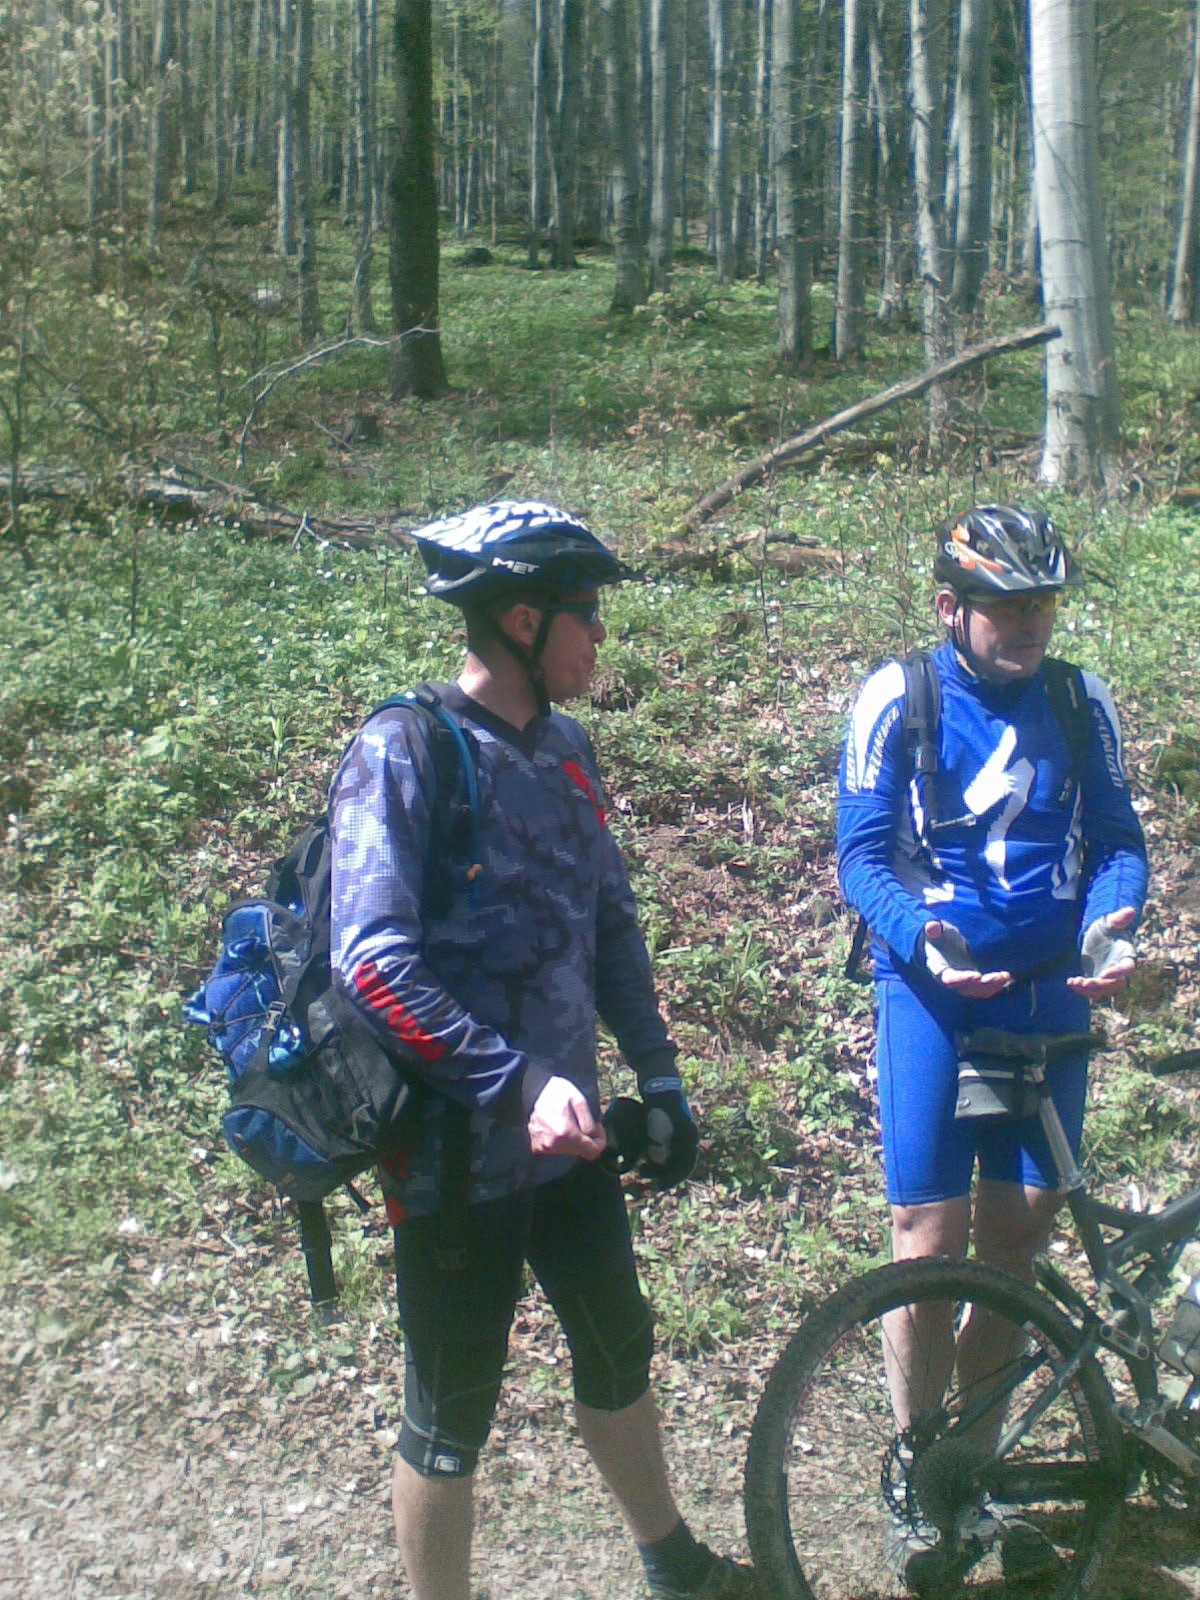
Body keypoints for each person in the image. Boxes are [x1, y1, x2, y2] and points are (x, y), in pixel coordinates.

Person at [327, 501, 758, 1600]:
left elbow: (609, 923)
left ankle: (671, 1561)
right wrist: (517, 1082)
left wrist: (658, 1075)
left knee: (617, 1346)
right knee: (452, 1407)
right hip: (451, 1153)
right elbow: (370, 963)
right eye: (586, 613)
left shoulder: (568, 750)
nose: (600, 635)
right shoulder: (404, 749)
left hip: (573, 1144)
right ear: (524, 619)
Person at [837, 505, 1148, 1589]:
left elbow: (1117, 842)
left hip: (1049, 993)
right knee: (927, 1243)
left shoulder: (1078, 698)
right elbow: (858, 854)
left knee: (1016, 1239)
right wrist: (920, 934)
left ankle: (974, 1471)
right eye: (1006, 605)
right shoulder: (899, 696)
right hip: (933, 996)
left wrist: (1113, 925)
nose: (1028, 623)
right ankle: (914, 1473)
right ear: (949, 607)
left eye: (1043, 603)